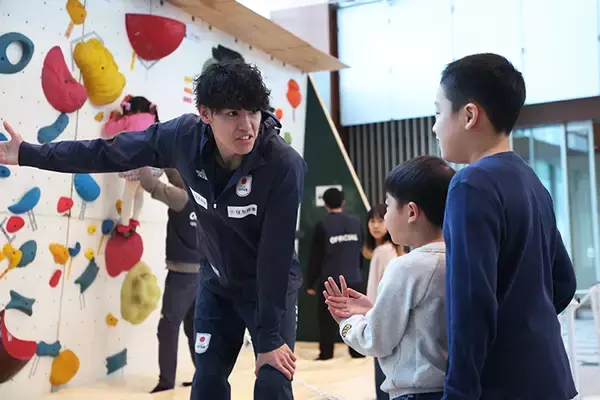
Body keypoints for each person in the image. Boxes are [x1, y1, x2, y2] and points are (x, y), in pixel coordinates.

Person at [0, 60, 307, 400]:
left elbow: (275, 256)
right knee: (207, 380)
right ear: (205, 114)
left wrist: (269, 340)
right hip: (217, 284)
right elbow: (108, 153)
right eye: (232, 114)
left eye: (253, 112)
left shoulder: (283, 165)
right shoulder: (182, 138)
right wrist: (28, 153)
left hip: (269, 288)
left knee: (273, 380)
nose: (247, 126)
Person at [433, 53, 577, 399]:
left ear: (469, 115)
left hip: (501, 387)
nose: (435, 126)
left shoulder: (470, 185)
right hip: (551, 378)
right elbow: (564, 282)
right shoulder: (532, 181)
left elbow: (471, 303)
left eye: (438, 112)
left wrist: (459, 392)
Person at [324, 156, 456, 400]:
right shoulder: (457, 259)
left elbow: (376, 340)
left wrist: (348, 322)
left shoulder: (406, 267)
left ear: (411, 212)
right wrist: (373, 310)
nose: (384, 217)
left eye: (387, 207)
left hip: (414, 393)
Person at [137, 167, 202, 393]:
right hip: (201, 274)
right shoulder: (202, 198)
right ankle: (203, 377)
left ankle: (166, 382)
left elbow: (148, 183)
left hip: (182, 275)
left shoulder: (180, 198)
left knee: (168, 326)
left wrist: (145, 158)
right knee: (194, 327)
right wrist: (166, 166)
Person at [305, 188, 364, 361]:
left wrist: (310, 283)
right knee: (355, 315)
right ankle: (357, 351)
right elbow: (360, 251)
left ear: (325, 204)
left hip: (330, 280)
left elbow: (316, 257)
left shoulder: (322, 224)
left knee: (326, 319)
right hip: (353, 277)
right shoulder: (356, 222)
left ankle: (326, 353)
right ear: (343, 202)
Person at [362, 204, 405, 400]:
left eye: (380, 220)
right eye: (372, 221)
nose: (376, 225)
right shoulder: (387, 249)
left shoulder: (383, 251)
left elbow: (379, 289)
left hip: (380, 317)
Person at [103, 95, 163, 235]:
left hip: (136, 164)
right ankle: (135, 220)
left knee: (128, 194)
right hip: (153, 165)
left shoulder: (129, 119)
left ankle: (124, 225)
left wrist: (113, 119)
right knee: (139, 192)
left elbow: (108, 130)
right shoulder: (153, 119)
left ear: (132, 109)